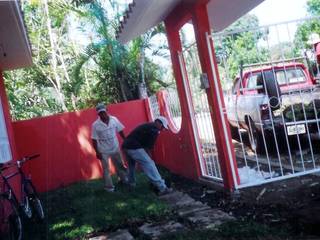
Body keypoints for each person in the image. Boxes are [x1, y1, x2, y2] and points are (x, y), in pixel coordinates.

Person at [122, 116, 172, 195]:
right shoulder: (154, 130)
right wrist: (149, 159)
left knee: (131, 166)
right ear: (158, 123)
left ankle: (131, 185)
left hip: (126, 146)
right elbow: (148, 148)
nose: (162, 129)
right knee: (149, 164)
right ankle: (162, 187)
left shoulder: (148, 125)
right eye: (162, 127)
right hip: (134, 147)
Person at [91, 103, 128, 192]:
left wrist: (125, 140)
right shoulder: (95, 125)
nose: (102, 114)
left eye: (104, 112)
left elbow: (120, 130)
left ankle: (124, 180)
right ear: (98, 114)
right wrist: (97, 152)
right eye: (100, 113)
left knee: (119, 165)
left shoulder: (114, 119)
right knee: (106, 169)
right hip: (103, 150)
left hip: (115, 147)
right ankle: (109, 187)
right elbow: (94, 140)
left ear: (107, 111)